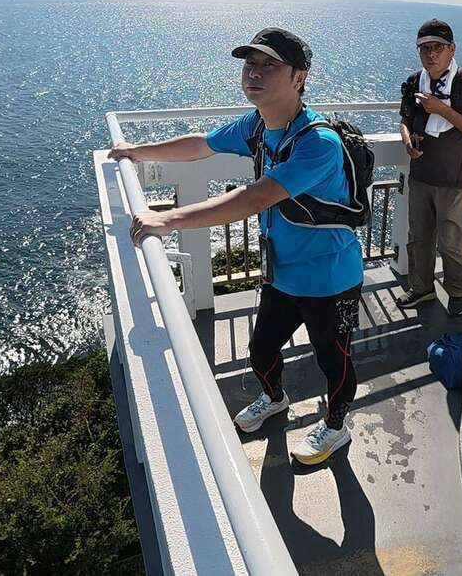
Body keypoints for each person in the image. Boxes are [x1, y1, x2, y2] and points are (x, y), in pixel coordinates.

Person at [108, 28, 364, 465]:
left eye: (269, 66)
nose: (254, 73)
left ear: (299, 78)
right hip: (281, 273)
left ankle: (336, 426)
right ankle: (275, 398)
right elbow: (201, 145)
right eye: (250, 65)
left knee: (333, 362)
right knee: (261, 350)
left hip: (330, 280)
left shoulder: (319, 144)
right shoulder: (258, 126)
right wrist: (136, 150)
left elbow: (255, 198)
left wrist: (167, 219)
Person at [395, 19, 462, 316]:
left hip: (454, 177)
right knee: (419, 237)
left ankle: (458, 291)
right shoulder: (414, 82)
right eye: (424, 48)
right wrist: (408, 141)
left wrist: (441, 109)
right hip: (422, 175)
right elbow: (405, 121)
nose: (431, 54)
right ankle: (422, 289)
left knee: (452, 241)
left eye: (438, 47)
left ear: (452, 49)